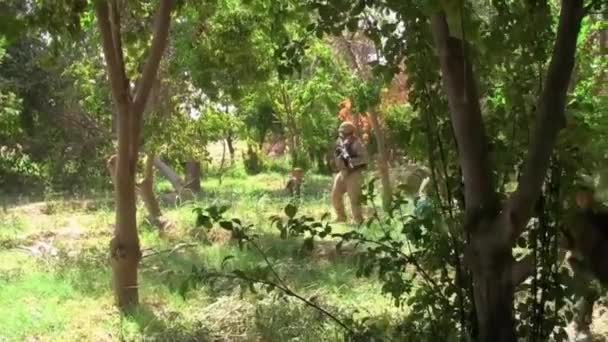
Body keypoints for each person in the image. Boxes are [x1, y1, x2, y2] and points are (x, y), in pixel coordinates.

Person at [562, 184, 608, 341]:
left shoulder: (601, 218)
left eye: (587, 196)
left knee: (591, 291)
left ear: (592, 198)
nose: (584, 199)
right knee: (588, 292)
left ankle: (582, 325)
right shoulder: (571, 221)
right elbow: (565, 244)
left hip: (600, 263)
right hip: (582, 264)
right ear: (577, 199)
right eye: (581, 196)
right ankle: (581, 326)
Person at [331, 121, 368, 224]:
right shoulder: (340, 142)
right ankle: (341, 217)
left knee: (354, 198)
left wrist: (351, 162)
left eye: (344, 132)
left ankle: (358, 220)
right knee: (335, 195)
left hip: (354, 173)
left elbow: (364, 159)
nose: (341, 134)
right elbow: (337, 156)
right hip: (342, 172)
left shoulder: (357, 143)